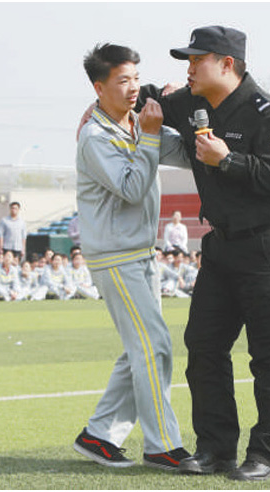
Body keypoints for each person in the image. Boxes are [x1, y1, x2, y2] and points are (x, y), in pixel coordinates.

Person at [135, 26, 270, 479]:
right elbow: (143, 97)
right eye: (188, 61)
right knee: (204, 346)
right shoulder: (190, 102)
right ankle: (215, 449)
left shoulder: (269, 115)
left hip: (268, 246)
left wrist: (227, 160)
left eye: (197, 60)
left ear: (227, 64)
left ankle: (268, 454)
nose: (189, 69)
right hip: (221, 247)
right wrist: (100, 108)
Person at [73, 43, 192, 471]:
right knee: (153, 346)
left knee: (139, 348)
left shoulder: (137, 123)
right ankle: (162, 445)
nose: (133, 88)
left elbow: (188, 155)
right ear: (98, 87)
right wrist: (153, 135)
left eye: (136, 79)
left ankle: (99, 435)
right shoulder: (95, 137)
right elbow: (131, 187)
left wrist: (185, 109)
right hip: (115, 256)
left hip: (140, 252)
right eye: (123, 81)